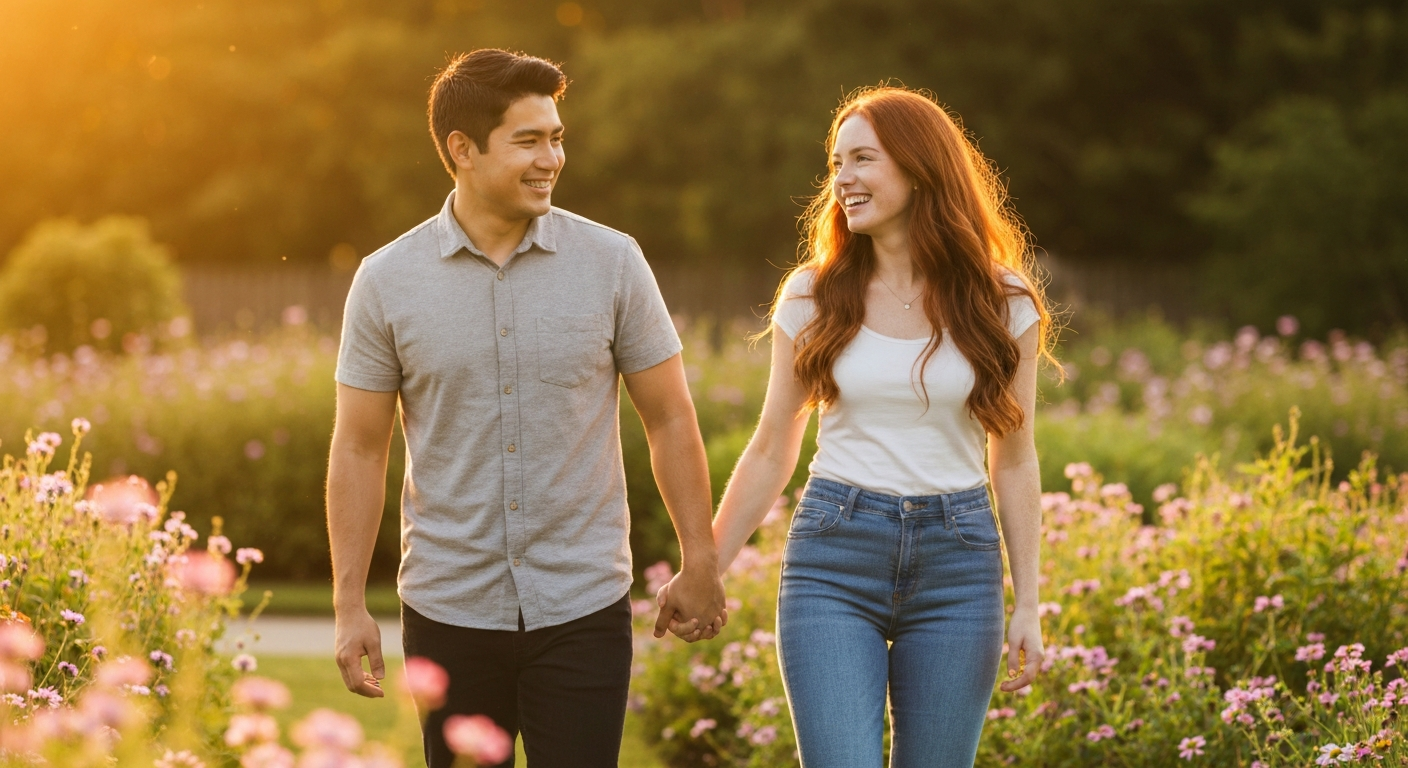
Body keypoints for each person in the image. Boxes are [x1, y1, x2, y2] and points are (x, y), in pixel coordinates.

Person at [325, 49, 726, 768]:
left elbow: (669, 417)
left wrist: (700, 558)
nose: (553, 158)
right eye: (529, 140)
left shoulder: (613, 263)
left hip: (582, 605)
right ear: (462, 150)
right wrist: (349, 605)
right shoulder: (386, 281)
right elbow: (359, 447)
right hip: (449, 609)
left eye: (558, 137)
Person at [682, 86, 1057, 766]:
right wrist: (705, 564)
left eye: (861, 160)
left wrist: (1028, 600)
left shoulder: (1002, 303)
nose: (841, 181)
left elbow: (1016, 457)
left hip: (958, 563)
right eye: (835, 164)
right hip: (834, 555)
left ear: (919, 168)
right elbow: (772, 444)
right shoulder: (813, 295)